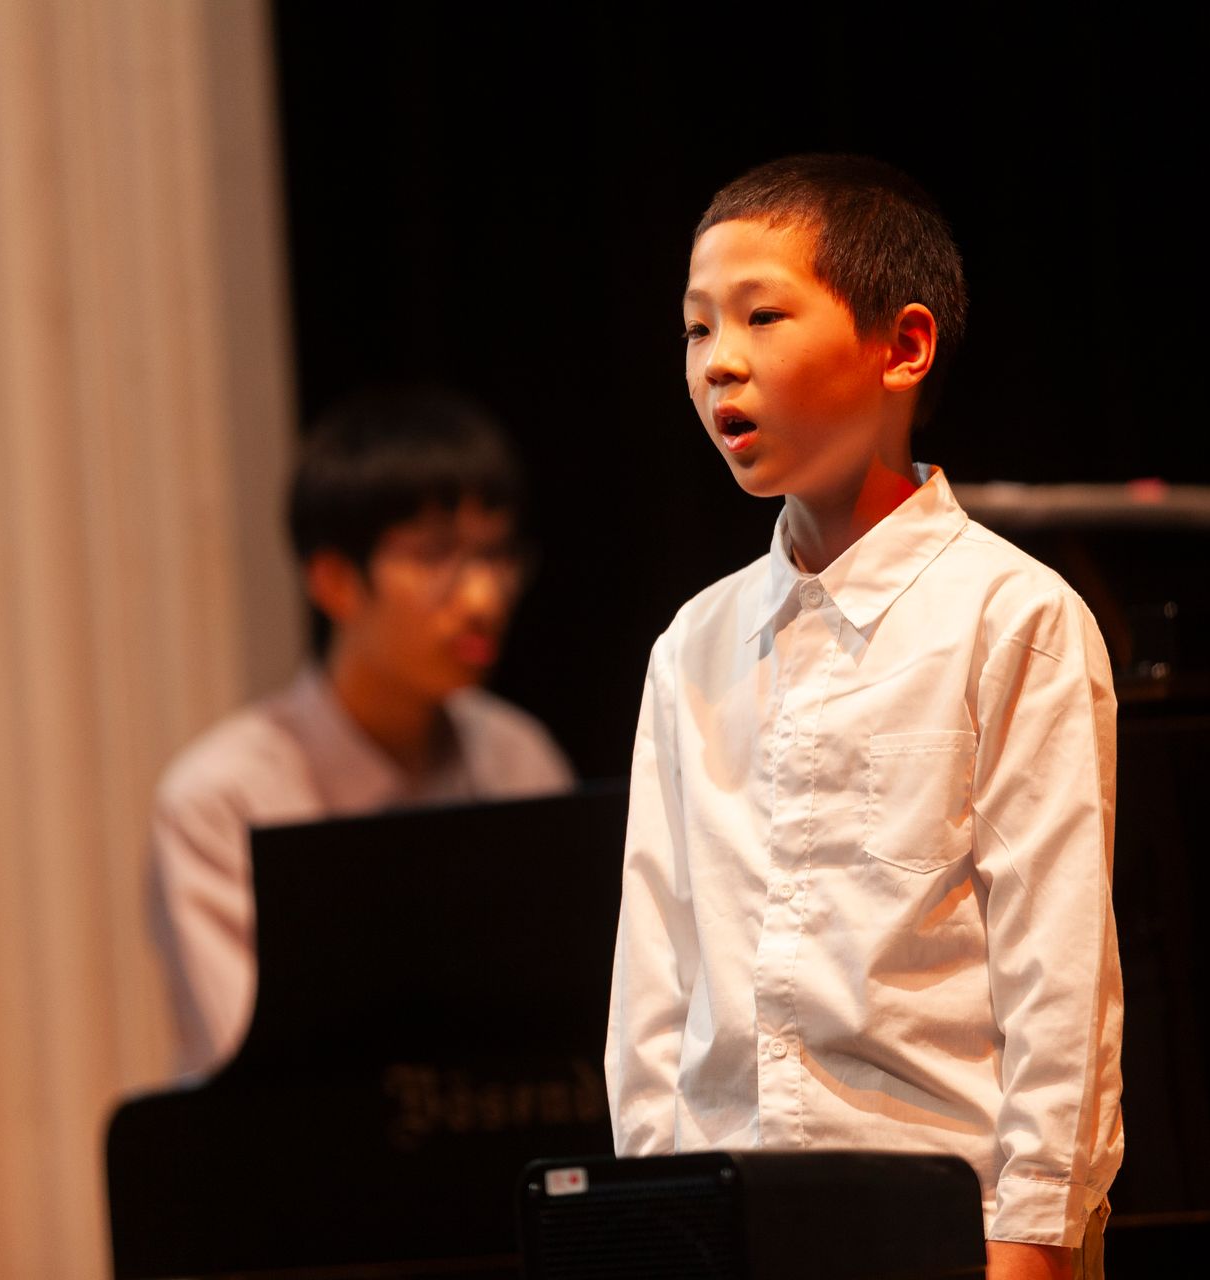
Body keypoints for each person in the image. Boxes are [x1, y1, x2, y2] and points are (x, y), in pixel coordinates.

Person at [604, 155, 1122, 1280]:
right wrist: (650, 1214)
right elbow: (657, 979)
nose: (720, 362)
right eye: (697, 330)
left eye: (762, 314)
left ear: (904, 346)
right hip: (730, 1227)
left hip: (948, 1225)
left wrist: (1029, 1235)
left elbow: (1059, 971)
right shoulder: (693, 645)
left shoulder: (1012, 618)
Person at [150, 387, 574, 1076]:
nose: (483, 597)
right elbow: (257, 1074)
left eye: (496, 556)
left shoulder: (516, 758)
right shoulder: (222, 799)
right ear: (334, 581)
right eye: (437, 556)